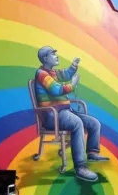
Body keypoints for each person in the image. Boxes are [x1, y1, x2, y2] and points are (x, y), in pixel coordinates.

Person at [35, 46, 109, 182]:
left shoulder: (53, 73)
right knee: (77, 123)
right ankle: (81, 167)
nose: (57, 56)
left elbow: (66, 74)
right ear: (45, 58)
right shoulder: (42, 74)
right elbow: (57, 90)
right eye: (53, 54)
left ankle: (92, 153)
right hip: (53, 115)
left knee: (94, 123)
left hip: (64, 112)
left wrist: (73, 66)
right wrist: (73, 85)